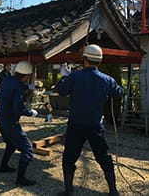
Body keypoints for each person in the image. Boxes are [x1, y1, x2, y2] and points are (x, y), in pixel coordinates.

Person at [56, 44, 122, 196]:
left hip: (76, 125)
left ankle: (68, 190)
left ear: (85, 60)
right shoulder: (107, 79)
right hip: (95, 125)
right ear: (99, 61)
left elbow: (61, 90)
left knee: (69, 159)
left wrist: (65, 76)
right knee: (104, 158)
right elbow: (118, 93)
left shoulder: (74, 76)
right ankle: (113, 191)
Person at [0, 61, 38, 186]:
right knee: (28, 150)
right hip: (11, 122)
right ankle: (20, 179)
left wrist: (27, 88)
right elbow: (18, 109)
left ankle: (3, 167)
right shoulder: (18, 86)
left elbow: (12, 90)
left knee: (10, 144)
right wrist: (30, 112)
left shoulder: (7, 80)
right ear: (25, 76)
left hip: (1, 119)